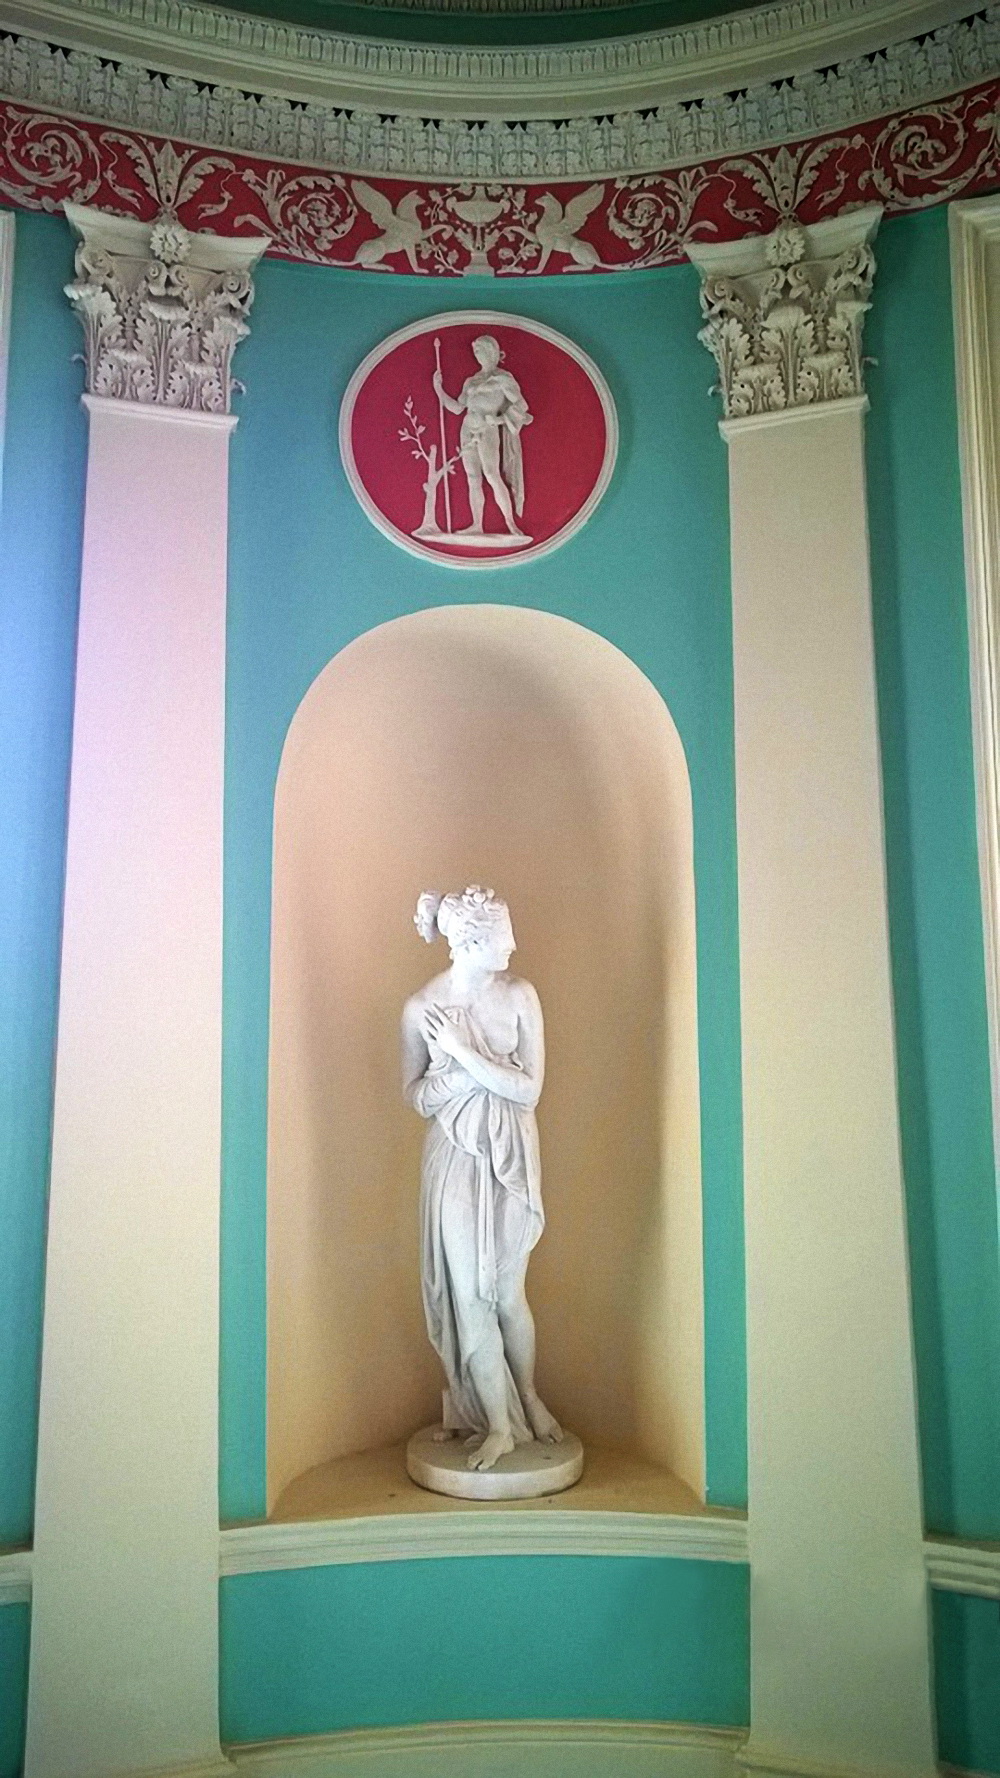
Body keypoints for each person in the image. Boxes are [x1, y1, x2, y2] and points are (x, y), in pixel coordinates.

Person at [401, 886, 563, 1472]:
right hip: (454, 1159)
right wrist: (467, 1073)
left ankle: (529, 1397)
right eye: (502, 937)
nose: (513, 946)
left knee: (509, 1295)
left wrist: (464, 1056)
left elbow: (529, 1090)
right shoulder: (422, 1007)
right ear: (468, 943)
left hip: (510, 1155)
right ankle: (498, 1427)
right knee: (472, 1296)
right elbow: (416, 1096)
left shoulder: (520, 996)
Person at [433, 335, 532, 538]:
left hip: (487, 429)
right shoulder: (471, 381)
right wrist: (438, 389)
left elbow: (521, 405)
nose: (477, 354)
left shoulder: (503, 378)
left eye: (479, 350)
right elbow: (457, 408)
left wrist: (499, 419)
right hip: (467, 428)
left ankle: (511, 524)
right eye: (475, 351)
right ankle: (477, 524)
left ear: (490, 351)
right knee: (473, 477)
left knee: (492, 474)